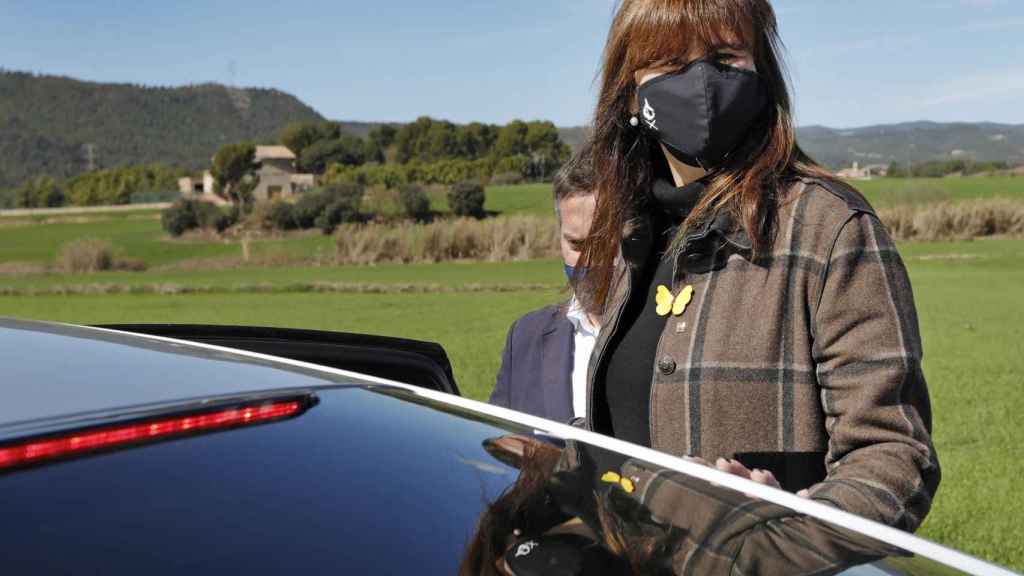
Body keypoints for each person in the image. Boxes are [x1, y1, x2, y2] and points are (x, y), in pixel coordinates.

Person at [572, 0, 940, 532]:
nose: (701, 82)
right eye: (671, 64)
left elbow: (895, 456)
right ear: (631, 92)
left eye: (725, 57)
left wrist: (790, 525)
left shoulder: (829, 227)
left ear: (761, 75)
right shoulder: (632, 234)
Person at [489, 146, 601, 423]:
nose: (589, 261)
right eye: (576, 244)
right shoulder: (525, 337)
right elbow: (500, 451)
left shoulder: (666, 338)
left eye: (604, 243)